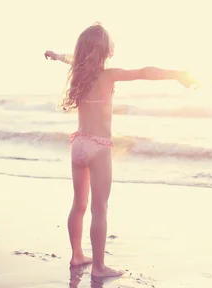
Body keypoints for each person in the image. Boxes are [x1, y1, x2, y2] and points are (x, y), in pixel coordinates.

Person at [44, 22, 196, 279]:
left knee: (79, 205)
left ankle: (77, 255)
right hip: (98, 147)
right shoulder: (108, 75)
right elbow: (145, 72)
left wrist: (57, 56)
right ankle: (99, 267)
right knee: (99, 208)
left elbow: (70, 59)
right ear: (105, 51)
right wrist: (177, 73)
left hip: (79, 144)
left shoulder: (80, 73)